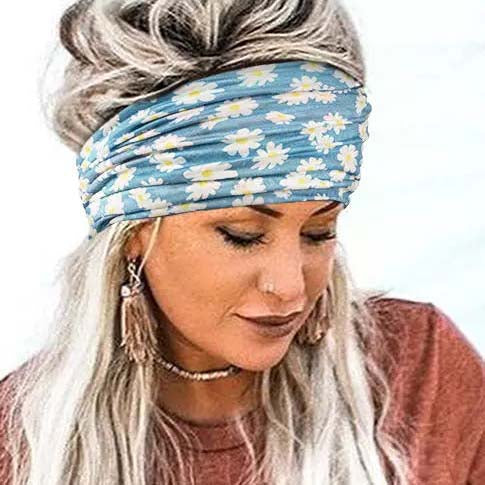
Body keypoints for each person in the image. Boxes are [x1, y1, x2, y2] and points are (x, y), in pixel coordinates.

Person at [0, 0, 483, 484]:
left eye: (319, 232)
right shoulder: (20, 445)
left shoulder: (421, 374)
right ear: (132, 231)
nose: (290, 288)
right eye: (243, 236)